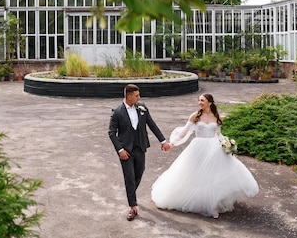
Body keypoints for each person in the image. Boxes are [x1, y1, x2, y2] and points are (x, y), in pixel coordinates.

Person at [151, 93, 259, 218]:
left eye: (202, 100)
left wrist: (227, 144)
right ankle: (199, 203)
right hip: (198, 147)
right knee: (195, 176)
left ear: (210, 102)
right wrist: (171, 144)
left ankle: (213, 205)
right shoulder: (195, 116)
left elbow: (218, 134)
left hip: (214, 148)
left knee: (213, 177)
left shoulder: (216, 116)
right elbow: (184, 132)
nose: (200, 103)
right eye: (199, 100)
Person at [108, 84, 171, 221]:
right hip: (126, 151)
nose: (139, 97)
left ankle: (131, 194)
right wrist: (120, 150)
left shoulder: (142, 107)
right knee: (129, 177)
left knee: (140, 172)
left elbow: (152, 124)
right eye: (137, 95)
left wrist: (163, 141)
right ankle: (133, 206)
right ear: (128, 96)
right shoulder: (117, 111)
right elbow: (111, 133)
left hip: (140, 147)